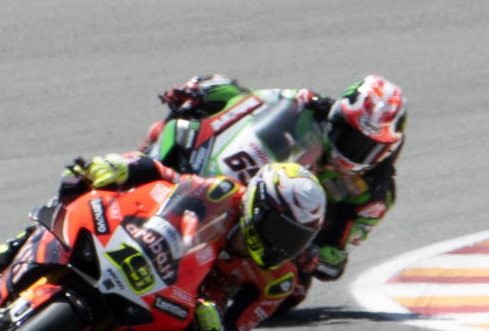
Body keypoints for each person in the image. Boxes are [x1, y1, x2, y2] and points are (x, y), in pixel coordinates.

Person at [0, 152, 327, 331]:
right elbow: (166, 176)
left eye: (294, 240)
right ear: (257, 207)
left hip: (193, 305)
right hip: (159, 258)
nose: (282, 247)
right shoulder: (223, 193)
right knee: (85, 180)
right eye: (280, 231)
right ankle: (20, 244)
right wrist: (122, 166)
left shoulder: (278, 281)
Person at [144, 74, 406, 306]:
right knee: (193, 111)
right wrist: (201, 92)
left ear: (388, 150)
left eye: (365, 146)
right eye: (344, 132)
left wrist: (312, 255)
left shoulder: (375, 194)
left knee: (293, 290)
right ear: (335, 116)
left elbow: (335, 262)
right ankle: (138, 173)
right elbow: (251, 102)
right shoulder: (308, 105)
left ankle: (217, 308)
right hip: (242, 185)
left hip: (284, 236)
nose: (348, 148)